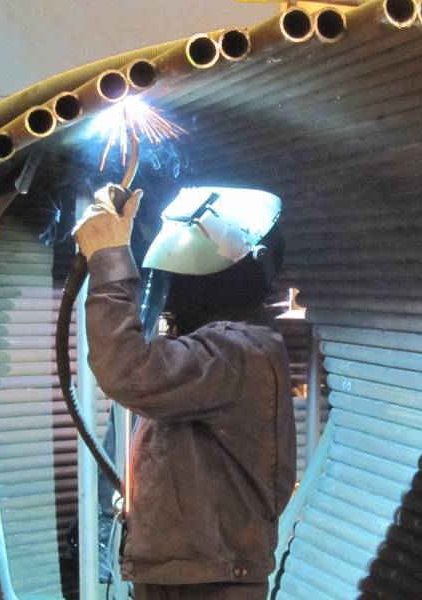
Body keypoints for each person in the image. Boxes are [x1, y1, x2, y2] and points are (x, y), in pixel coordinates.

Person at [73, 184, 297, 600]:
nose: (176, 284)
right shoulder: (215, 346)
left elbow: (127, 369)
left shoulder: (237, 350)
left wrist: (107, 258)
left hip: (211, 582)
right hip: (189, 571)